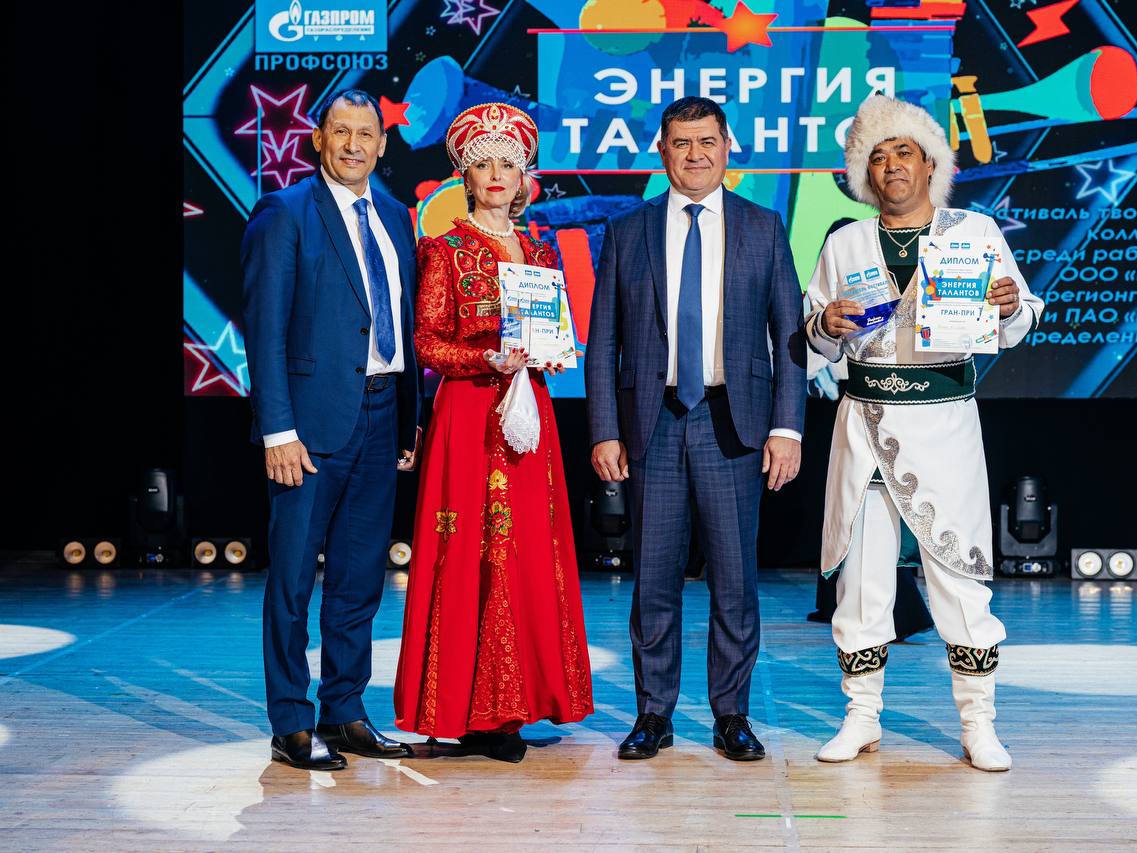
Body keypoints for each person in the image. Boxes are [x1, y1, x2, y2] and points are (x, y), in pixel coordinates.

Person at [805, 95, 1043, 771]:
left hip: (944, 423)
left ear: (930, 163)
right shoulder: (845, 242)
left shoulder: (974, 232)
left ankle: (978, 722)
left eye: (903, 152)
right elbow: (813, 336)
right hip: (866, 426)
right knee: (861, 582)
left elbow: (1021, 315)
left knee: (959, 574)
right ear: (864, 173)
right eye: (877, 157)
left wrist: (1008, 304)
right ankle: (861, 716)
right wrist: (827, 324)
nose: (891, 167)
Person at [585, 97, 806, 762]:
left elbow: (789, 336)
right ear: (662, 152)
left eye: (707, 141)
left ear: (727, 147)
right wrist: (604, 429)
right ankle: (653, 713)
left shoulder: (764, 227)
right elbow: (603, 342)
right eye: (681, 143)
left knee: (734, 581)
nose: (695, 155)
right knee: (652, 579)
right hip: (651, 424)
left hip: (732, 423)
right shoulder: (628, 231)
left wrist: (787, 427)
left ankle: (731, 714)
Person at [393, 103, 593, 764]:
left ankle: (516, 703)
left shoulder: (538, 249)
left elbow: (554, 331)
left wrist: (551, 353)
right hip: (470, 415)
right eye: (484, 164)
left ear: (525, 175)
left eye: (509, 162)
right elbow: (426, 341)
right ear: (466, 176)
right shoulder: (444, 250)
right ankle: (469, 711)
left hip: (528, 414)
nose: (497, 174)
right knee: (473, 551)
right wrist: (486, 359)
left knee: (527, 550)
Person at [242, 89, 421, 770]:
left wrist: (408, 418)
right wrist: (277, 431)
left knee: (359, 579)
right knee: (293, 579)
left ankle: (344, 710)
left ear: (382, 143)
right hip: (310, 428)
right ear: (318, 140)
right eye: (340, 132)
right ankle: (290, 720)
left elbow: (401, 320)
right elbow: (265, 329)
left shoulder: (397, 216)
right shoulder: (284, 212)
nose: (353, 145)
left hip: (381, 416)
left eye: (365, 133)